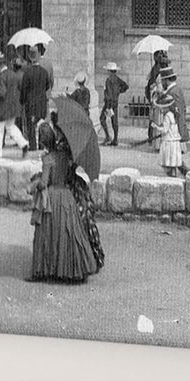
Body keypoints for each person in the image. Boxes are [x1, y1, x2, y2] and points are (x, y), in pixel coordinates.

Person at [28, 113, 99, 283]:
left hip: (52, 197)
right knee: (69, 234)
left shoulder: (47, 158)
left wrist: (35, 183)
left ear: (42, 141)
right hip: (66, 196)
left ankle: (43, 270)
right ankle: (74, 270)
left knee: (46, 235)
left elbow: (45, 183)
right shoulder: (64, 156)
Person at [19, 45, 51, 150]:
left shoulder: (27, 73)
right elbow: (47, 86)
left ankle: (33, 146)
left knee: (31, 127)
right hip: (41, 103)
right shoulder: (44, 72)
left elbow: (24, 89)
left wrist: (22, 101)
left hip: (31, 103)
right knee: (41, 125)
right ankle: (42, 146)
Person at [101, 61, 128, 147]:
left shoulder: (108, 80)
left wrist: (108, 105)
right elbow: (126, 86)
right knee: (114, 121)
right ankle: (115, 139)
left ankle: (108, 136)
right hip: (115, 102)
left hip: (109, 103)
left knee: (102, 119)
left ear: (109, 71)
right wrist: (118, 92)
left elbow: (108, 93)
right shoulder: (117, 79)